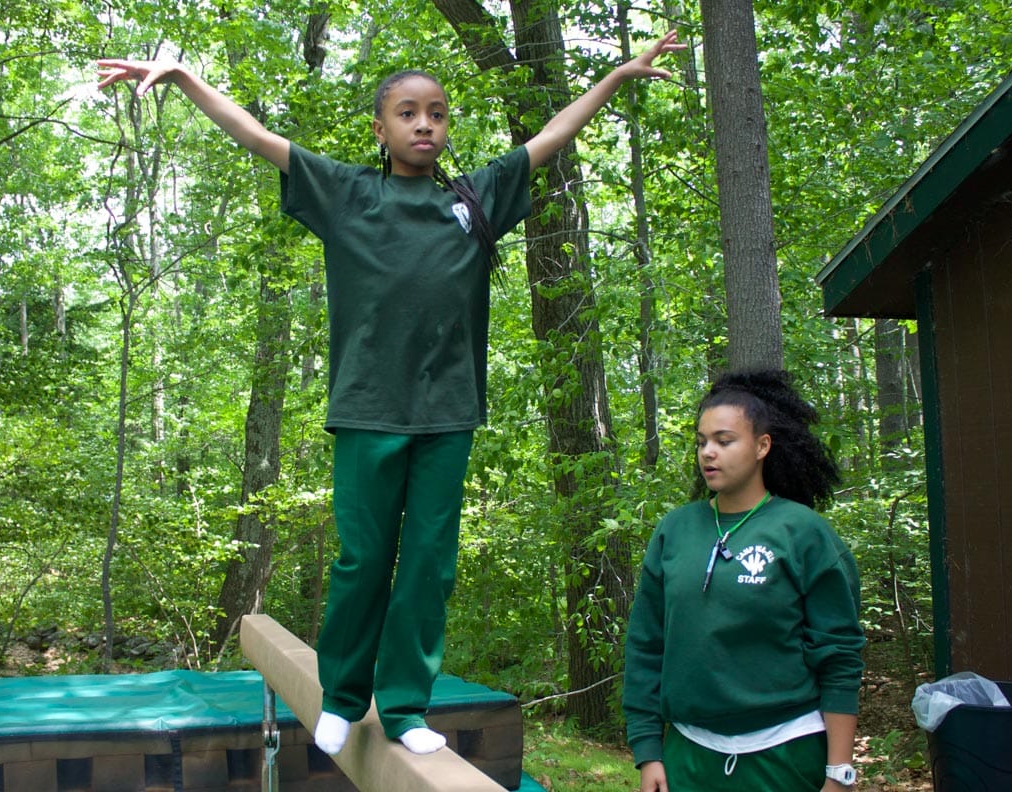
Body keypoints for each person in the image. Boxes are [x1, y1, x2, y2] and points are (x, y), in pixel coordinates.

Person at [97, 29, 687, 757]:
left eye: (437, 114)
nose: (425, 125)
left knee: (431, 564)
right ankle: (344, 696)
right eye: (408, 113)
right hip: (368, 408)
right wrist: (184, 76)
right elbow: (256, 136)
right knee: (364, 559)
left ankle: (406, 707)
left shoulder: (476, 199)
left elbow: (551, 137)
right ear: (381, 128)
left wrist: (616, 78)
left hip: (448, 416)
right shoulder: (348, 194)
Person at [622, 369, 865, 791]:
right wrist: (648, 753)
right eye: (701, 442)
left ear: (761, 446)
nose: (708, 453)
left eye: (724, 440)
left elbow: (840, 656)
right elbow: (646, 645)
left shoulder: (803, 532)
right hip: (689, 756)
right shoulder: (675, 530)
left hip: (786, 754)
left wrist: (839, 773)